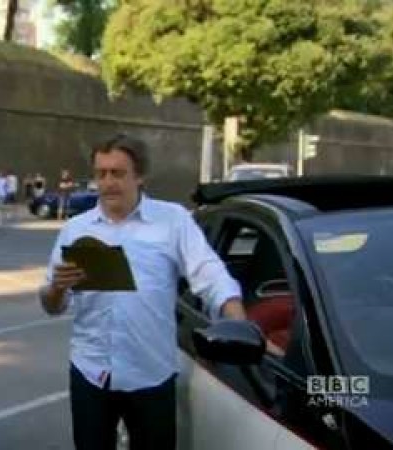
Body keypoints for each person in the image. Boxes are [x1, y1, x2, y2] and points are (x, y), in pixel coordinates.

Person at [38, 133, 246, 450]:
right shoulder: (75, 229)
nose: (108, 183)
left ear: (140, 176)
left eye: (117, 173)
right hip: (91, 373)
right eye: (101, 174)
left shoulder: (173, 220)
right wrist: (56, 286)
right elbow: (52, 306)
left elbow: (209, 273)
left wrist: (237, 320)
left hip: (151, 374)